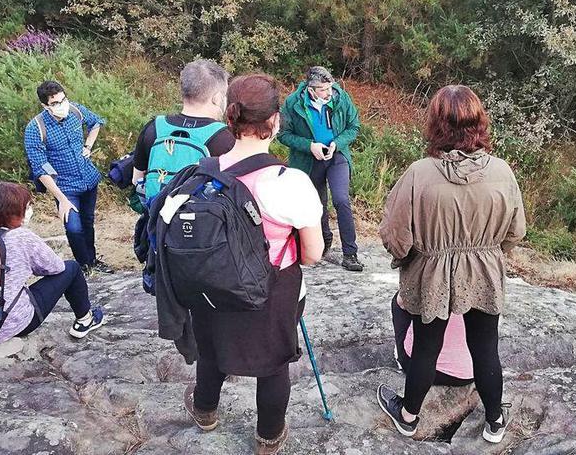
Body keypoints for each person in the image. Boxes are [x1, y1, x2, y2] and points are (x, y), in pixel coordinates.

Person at [175, 74, 324, 454]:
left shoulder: (202, 172)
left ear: (229, 117)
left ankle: (205, 411)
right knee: (274, 364)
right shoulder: (291, 182)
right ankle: (269, 438)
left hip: (210, 288)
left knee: (213, 350)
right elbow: (312, 254)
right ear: (275, 121)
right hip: (271, 292)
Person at [376, 85, 526, 444]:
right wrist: (488, 251)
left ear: (435, 124)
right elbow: (516, 230)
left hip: (432, 274)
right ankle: (494, 422)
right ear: (479, 123)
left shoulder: (419, 173)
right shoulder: (502, 172)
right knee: (485, 346)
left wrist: (408, 259)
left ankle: (409, 417)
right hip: (485, 271)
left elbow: (395, 233)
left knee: (428, 346)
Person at [0, 182, 105, 346]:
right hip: (5, 325)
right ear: (15, 210)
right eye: (26, 206)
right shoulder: (20, 237)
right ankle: (85, 319)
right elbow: (56, 267)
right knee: (71, 268)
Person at [277, 66, 363, 272]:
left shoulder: (341, 98)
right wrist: (309, 146)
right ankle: (324, 239)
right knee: (317, 204)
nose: (329, 93)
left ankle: (350, 253)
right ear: (311, 89)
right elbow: (283, 134)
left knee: (341, 200)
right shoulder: (292, 103)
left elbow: (354, 126)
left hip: (337, 156)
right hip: (309, 160)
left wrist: (337, 143)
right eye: (324, 90)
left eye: (330, 87)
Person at [23, 81, 112, 274]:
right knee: (73, 228)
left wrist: (88, 146)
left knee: (88, 222)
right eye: (55, 103)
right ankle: (83, 265)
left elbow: (96, 122)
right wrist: (61, 199)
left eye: (63, 99)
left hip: (88, 178)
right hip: (64, 186)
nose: (61, 105)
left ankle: (92, 261)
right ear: (45, 106)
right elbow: (40, 168)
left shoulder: (75, 111)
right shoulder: (35, 128)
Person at [131, 59, 235, 200]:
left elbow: (136, 180)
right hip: (202, 221)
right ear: (216, 98)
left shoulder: (154, 127)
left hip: (155, 219)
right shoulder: (225, 138)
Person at [392, 292, 474, 387]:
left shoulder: (429, 282)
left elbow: (402, 302)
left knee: (400, 298)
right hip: (474, 372)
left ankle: (401, 352)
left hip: (427, 371)